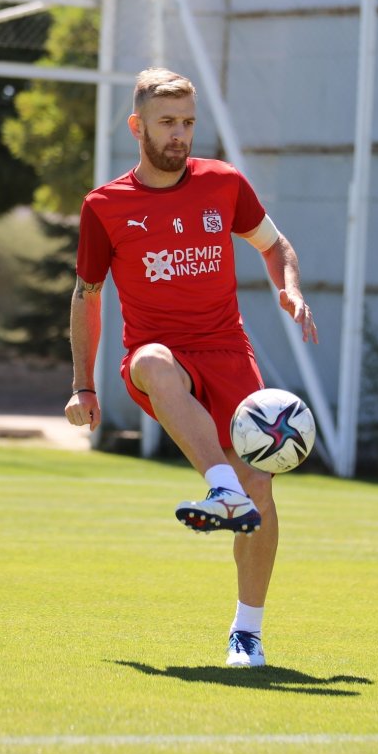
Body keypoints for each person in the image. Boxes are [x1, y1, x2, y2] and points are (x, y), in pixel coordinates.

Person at [65, 67, 318, 667]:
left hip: (229, 353)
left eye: (187, 123)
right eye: (166, 123)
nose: (179, 135)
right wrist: (82, 384)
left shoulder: (224, 184)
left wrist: (289, 288)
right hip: (161, 361)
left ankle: (247, 633)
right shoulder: (105, 206)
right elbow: (87, 295)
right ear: (137, 127)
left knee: (262, 485)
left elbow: (275, 245)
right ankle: (221, 489)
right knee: (152, 358)